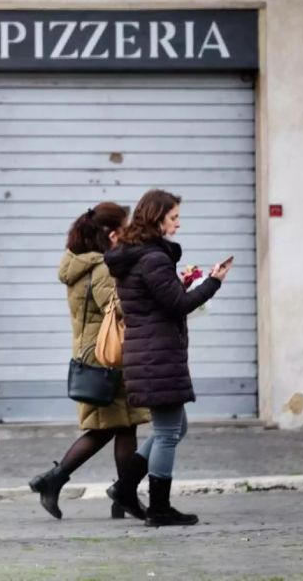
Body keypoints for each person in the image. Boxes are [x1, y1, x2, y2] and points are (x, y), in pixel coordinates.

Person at [104, 189, 231, 526]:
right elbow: (177, 304)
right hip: (156, 355)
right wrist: (212, 282)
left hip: (151, 352)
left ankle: (125, 487)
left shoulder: (137, 255)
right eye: (173, 217)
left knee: (174, 427)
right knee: (168, 433)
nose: (178, 223)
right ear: (156, 217)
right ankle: (159, 508)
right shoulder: (152, 258)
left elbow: (162, 299)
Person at [29, 202, 151, 520]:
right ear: (112, 235)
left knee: (122, 427)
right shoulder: (102, 268)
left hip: (98, 355)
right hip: (107, 358)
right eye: (124, 229)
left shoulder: (84, 265)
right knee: (110, 428)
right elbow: (117, 308)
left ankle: (122, 497)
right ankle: (53, 481)